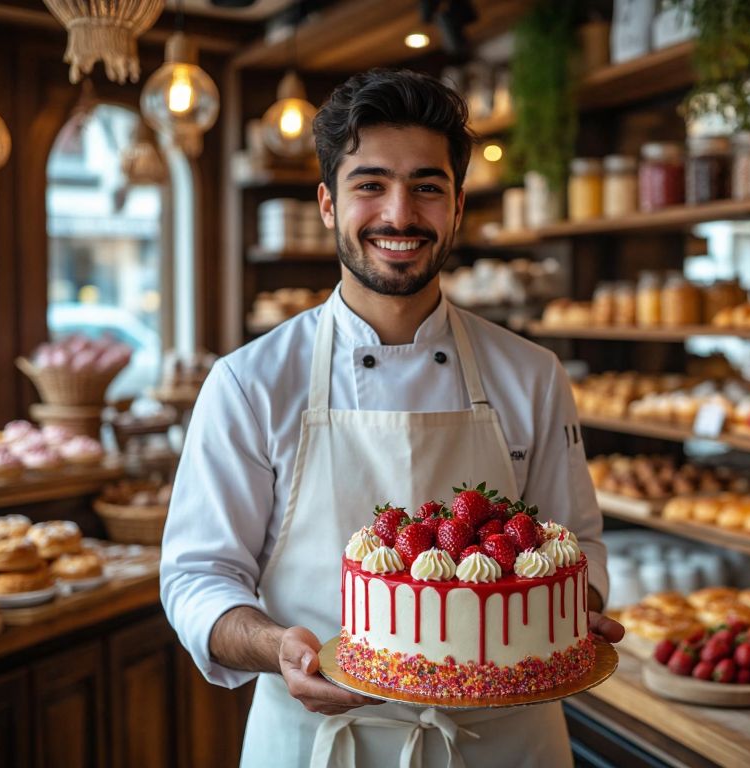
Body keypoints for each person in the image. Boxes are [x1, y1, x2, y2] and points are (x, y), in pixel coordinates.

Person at [160, 68, 623, 767]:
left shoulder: (531, 374)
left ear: (458, 205)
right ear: (326, 203)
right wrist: (274, 645)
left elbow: (577, 544)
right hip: (316, 743)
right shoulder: (249, 383)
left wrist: (561, 614)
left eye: (427, 187)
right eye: (370, 184)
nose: (400, 215)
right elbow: (197, 577)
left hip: (503, 746)